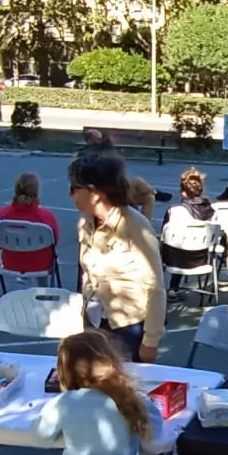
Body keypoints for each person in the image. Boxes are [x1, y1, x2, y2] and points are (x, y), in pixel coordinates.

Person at [70, 150, 165, 363]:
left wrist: (150, 341)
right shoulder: (85, 223)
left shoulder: (135, 226)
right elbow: (85, 274)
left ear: (95, 193)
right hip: (93, 321)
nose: (70, 195)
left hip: (127, 329)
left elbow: (156, 288)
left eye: (74, 188)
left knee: (124, 388)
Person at [0, 172, 62, 279]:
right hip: (40, 264)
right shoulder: (46, 217)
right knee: (45, 253)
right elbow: (54, 241)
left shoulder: (1, 215)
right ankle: (43, 290)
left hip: (11, 263)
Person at [160, 167, 218, 278]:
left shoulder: (174, 211)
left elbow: (163, 237)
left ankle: (173, 286)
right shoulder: (212, 212)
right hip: (202, 260)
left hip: (175, 261)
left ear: (183, 192)